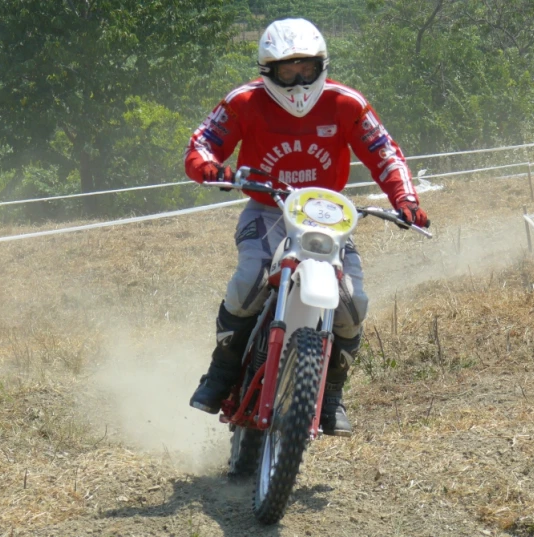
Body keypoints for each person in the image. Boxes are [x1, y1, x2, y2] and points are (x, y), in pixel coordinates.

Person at [183, 18, 429, 437]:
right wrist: (207, 166)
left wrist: (405, 200)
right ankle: (221, 371)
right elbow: (203, 141)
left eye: (306, 69)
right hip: (267, 211)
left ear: (322, 65)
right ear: (268, 71)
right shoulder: (243, 101)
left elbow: (384, 152)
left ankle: (331, 393)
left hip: (327, 216)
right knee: (250, 281)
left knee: (353, 306)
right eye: (286, 71)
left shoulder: (346, 103)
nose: (298, 81)